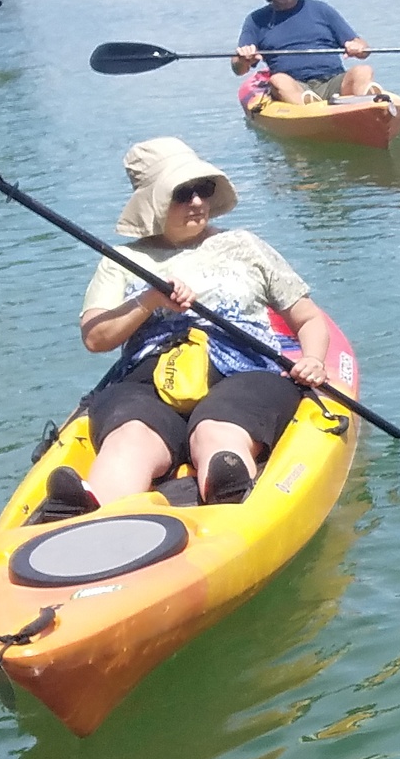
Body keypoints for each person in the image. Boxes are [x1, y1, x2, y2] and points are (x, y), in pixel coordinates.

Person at [33, 139, 337, 523]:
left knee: (216, 427)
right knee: (131, 435)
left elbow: (308, 319)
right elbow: (96, 338)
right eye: (182, 193)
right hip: (149, 378)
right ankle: (91, 512)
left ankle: (229, 490)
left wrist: (312, 360)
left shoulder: (244, 245)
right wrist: (149, 301)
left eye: (203, 189)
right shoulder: (123, 260)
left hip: (244, 370)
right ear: (155, 203)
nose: (197, 202)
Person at [230, 0, 383, 106]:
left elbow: (363, 49)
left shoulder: (321, 10)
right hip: (294, 86)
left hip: (333, 81)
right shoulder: (256, 20)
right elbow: (239, 69)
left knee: (363, 70)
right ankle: (310, 108)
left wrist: (358, 47)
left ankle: (371, 103)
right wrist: (243, 58)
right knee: (278, 81)